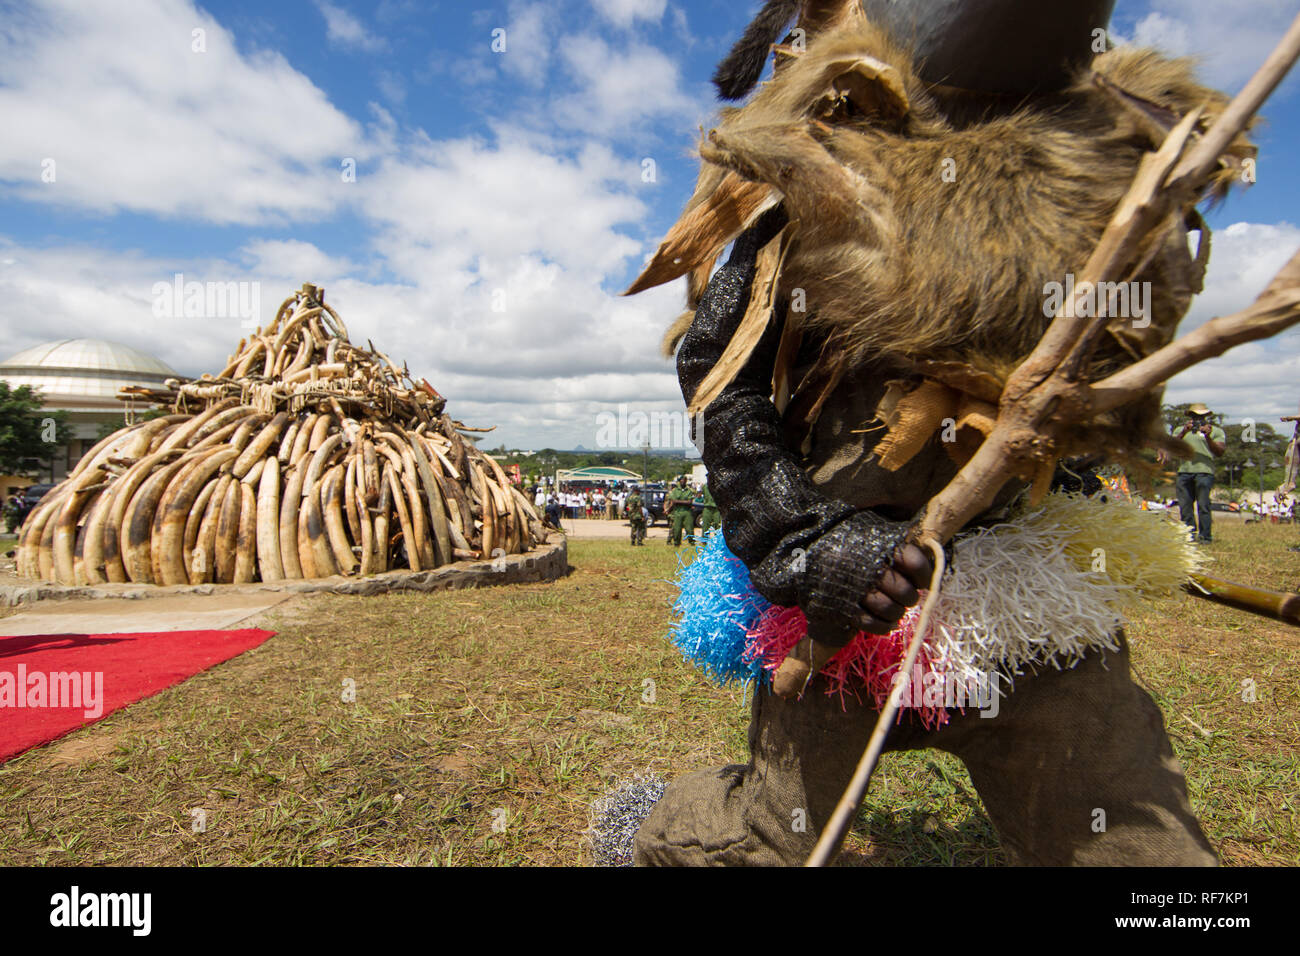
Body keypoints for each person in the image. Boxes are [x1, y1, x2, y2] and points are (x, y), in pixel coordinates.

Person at [627, 0, 1231, 867]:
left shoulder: (1109, 187)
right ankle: (668, 827)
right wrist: (806, 541)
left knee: (1141, 853)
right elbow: (724, 389)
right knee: (771, 846)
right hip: (845, 606)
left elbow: (1098, 402)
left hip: (1026, 598)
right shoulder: (810, 189)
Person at [1172, 404, 1226, 543]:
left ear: (1206, 417)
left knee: (1203, 505)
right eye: (1194, 416)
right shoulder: (1180, 430)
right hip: (1184, 472)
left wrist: (1208, 437)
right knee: (1185, 506)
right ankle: (1189, 536)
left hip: (1204, 472)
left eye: (1201, 417)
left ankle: (1205, 537)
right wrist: (1184, 432)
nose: (1197, 419)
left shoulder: (1216, 431)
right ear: (1189, 417)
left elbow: (1219, 452)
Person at [665, 476, 694, 547]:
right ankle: (677, 543)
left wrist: (678, 501)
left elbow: (690, 502)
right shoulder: (675, 490)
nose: (683, 481)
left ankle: (692, 542)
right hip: (678, 511)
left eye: (684, 480)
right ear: (679, 481)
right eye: (681, 480)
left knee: (689, 528)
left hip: (687, 511)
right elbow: (673, 501)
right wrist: (684, 501)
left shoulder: (689, 490)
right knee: (677, 529)